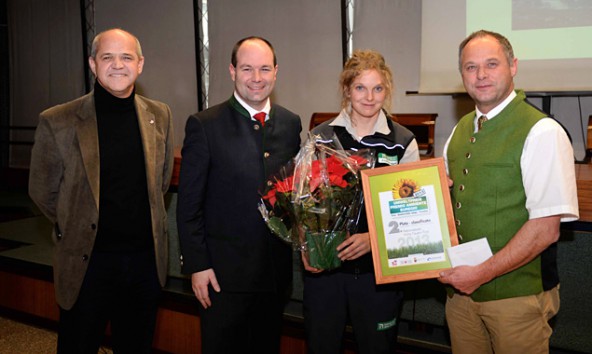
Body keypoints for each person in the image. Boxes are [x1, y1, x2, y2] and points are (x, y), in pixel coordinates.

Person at [28, 28, 174, 353]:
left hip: (144, 265)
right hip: (87, 265)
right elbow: (42, 191)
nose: (117, 65)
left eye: (126, 57)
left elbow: (160, 183)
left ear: (140, 64)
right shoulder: (59, 120)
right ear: (93, 64)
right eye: (107, 57)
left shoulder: (160, 115)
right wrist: (77, 220)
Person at [438, 30, 579, 354]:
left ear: (513, 66)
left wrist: (480, 275)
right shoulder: (459, 130)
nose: (481, 75)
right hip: (460, 297)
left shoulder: (542, 131)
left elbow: (545, 230)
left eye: (491, 64)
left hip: (517, 300)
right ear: (462, 75)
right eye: (471, 67)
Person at [176, 36, 302, 354]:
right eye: (247, 68)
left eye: (264, 68)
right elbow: (189, 204)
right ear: (232, 71)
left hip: (273, 276)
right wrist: (197, 265)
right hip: (221, 278)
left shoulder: (291, 123)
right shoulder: (205, 125)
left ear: (276, 71)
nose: (256, 78)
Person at [305, 49, 420, 354]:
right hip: (326, 275)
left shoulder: (403, 142)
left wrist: (374, 239)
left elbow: (412, 216)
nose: (369, 97)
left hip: (377, 278)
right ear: (347, 90)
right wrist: (307, 247)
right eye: (360, 88)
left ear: (387, 91)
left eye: (378, 88)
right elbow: (303, 202)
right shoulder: (320, 137)